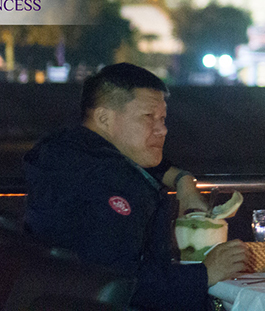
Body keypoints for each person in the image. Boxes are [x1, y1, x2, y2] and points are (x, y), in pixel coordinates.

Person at [24, 63, 248, 310]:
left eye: (163, 118)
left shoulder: (65, 153)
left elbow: (145, 163)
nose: (162, 129)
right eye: (148, 117)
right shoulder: (110, 183)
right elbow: (122, 283)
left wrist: (182, 181)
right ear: (104, 118)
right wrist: (205, 273)